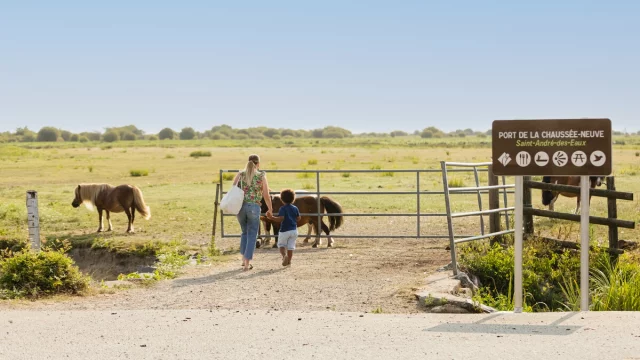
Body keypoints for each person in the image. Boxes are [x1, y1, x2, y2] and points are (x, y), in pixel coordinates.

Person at [233, 154, 273, 271]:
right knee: (252, 235)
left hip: (241, 207)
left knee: (244, 232)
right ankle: (246, 263)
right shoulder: (261, 175)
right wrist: (270, 208)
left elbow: (233, 188)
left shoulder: (241, 174)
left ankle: (242, 259)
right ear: (258, 164)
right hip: (254, 207)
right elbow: (266, 194)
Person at [267, 189, 300, 267]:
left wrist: (271, 217)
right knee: (291, 247)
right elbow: (299, 218)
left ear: (281, 199)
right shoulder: (295, 208)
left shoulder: (282, 208)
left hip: (284, 230)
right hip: (294, 230)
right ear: (293, 198)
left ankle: (284, 256)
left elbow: (280, 219)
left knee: (281, 245)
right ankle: (289, 261)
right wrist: (293, 220)